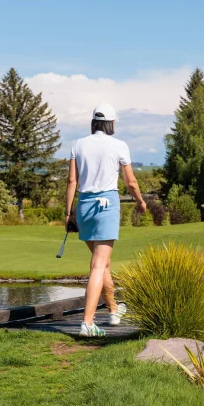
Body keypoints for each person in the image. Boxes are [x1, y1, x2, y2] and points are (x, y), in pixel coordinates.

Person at [65, 103, 146, 337]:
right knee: (98, 265)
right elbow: (131, 182)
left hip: (84, 206)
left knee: (103, 263)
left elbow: (72, 182)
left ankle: (112, 310)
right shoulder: (119, 145)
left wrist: (68, 214)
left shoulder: (78, 144)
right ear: (111, 123)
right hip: (107, 205)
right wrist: (140, 202)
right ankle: (88, 323)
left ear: (93, 122)